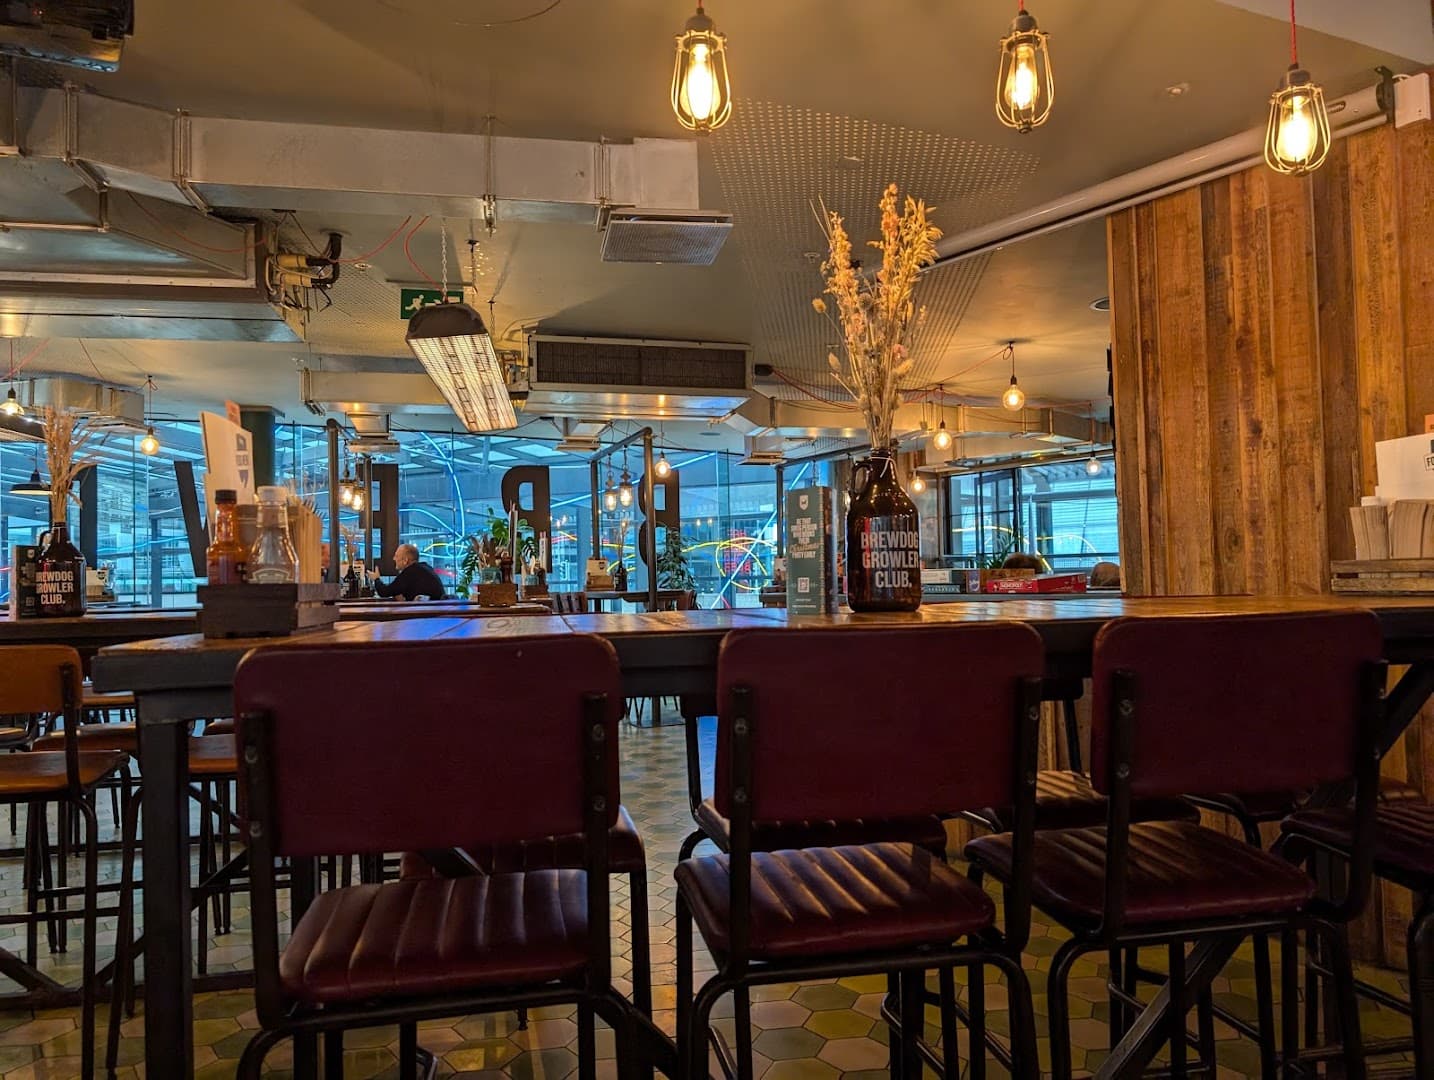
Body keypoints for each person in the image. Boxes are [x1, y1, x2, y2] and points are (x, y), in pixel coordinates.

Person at [373, 543, 445, 601]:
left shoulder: (410, 572)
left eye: (396, 556)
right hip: (437, 613)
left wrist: (376, 579)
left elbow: (384, 592)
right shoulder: (426, 568)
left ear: (405, 560)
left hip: (426, 616)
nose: (394, 559)